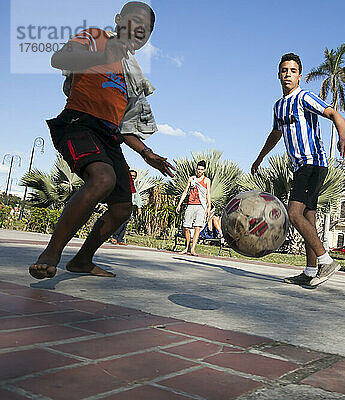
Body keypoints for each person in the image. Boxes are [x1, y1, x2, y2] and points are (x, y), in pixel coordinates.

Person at [28, 2, 175, 280]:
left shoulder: (132, 74)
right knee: (102, 179)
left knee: (121, 208)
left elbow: (124, 127)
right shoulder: (96, 37)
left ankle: (82, 260)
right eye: (133, 23)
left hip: (109, 136)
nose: (138, 31)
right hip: (78, 124)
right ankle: (52, 252)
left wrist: (147, 153)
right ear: (119, 20)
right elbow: (59, 60)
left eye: (145, 29)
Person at [251, 53, 345, 287]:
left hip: (313, 163)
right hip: (300, 167)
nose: (288, 74)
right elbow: (275, 134)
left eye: (293, 71)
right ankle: (309, 271)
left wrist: (343, 138)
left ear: (300, 75)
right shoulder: (279, 106)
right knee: (308, 219)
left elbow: (334, 114)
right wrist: (259, 158)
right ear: (278, 75)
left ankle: (326, 261)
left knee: (294, 214)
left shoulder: (304, 97)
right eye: (284, 70)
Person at [176, 161, 212, 255]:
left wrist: (209, 207)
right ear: (196, 169)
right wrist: (179, 203)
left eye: (201, 169)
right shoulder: (191, 179)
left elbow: (208, 194)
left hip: (201, 205)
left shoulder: (206, 180)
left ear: (204, 170)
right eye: (198, 169)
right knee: (186, 226)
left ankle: (193, 249)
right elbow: (185, 192)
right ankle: (187, 247)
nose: (199, 171)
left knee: (197, 227)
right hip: (191, 204)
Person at [110, 169, 142, 245]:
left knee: (125, 222)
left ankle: (119, 239)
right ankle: (114, 237)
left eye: (134, 176)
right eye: (131, 176)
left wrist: (139, 208)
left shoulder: (133, 185)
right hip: (121, 204)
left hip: (129, 206)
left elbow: (137, 197)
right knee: (121, 221)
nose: (132, 177)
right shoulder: (122, 183)